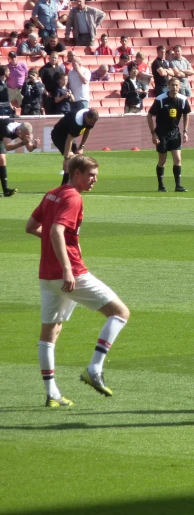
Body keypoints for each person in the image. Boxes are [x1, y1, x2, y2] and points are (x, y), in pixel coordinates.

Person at [25, 155, 130, 406]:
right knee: (120, 313)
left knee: (51, 331)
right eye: (91, 174)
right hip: (70, 273)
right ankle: (94, 368)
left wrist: (53, 252)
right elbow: (55, 231)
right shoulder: (73, 197)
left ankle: (52, 394)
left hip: (47, 274)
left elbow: (31, 226)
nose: (95, 179)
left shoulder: (53, 193)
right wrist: (67, 268)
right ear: (77, 174)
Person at [147, 78, 191, 193]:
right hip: (162, 133)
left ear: (180, 86)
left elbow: (187, 114)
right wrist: (153, 134)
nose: (175, 87)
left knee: (178, 159)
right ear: (168, 86)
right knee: (162, 160)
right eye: (172, 85)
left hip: (175, 133)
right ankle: (161, 186)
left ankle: (178, 186)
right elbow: (149, 115)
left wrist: (185, 131)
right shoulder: (161, 99)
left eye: (176, 85)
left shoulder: (183, 100)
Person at [52, 108, 97, 185]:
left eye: (93, 123)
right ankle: (64, 186)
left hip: (69, 136)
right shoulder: (77, 121)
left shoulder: (91, 119)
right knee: (71, 158)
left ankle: (68, 184)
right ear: (86, 117)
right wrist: (66, 158)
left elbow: (88, 130)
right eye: (90, 122)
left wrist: (81, 147)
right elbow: (69, 139)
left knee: (76, 160)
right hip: (59, 136)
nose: (91, 124)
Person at [0, 121, 41, 197]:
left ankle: (6, 190)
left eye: (28, 135)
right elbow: (7, 147)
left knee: (2, 159)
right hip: (2, 137)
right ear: (19, 132)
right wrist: (22, 143)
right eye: (25, 136)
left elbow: (29, 149)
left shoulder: (24, 130)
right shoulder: (8, 129)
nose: (26, 137)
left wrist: (34, 146)